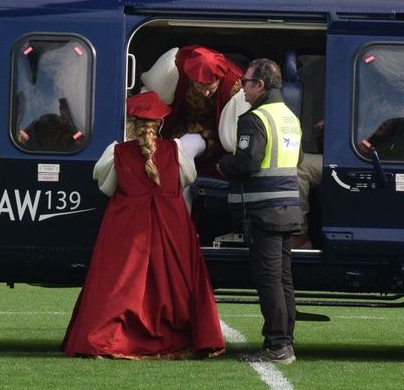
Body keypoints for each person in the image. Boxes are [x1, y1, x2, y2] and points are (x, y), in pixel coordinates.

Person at [61, 92, 225, 359]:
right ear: (160, 123)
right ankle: (175, 337)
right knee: (173, 283)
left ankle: (115, 337)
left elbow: (104, 185)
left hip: (127, 226)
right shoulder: (176, 151)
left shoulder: (116, 153)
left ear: (131, 122)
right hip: (171, 225)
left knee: (121, 282)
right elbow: (187, 179)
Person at [219, 58, 305, 364]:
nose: (242, 87)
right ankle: (285, 343)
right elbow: (298, 158)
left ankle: (277, 345)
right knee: (283, 279)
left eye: (246, 82)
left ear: (260, 85)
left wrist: (224, 163)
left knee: (269, 280)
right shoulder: (289, 117)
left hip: (264, 211)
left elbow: (247, 163)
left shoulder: (254, 119)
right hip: (288, 208)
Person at [161, 45, 244, 177]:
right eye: (200, 87)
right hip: (184, 124)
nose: (205, 93)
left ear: (218, 79)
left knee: (185, 149)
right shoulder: (180, 72)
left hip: (216, 131)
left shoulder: (233, 84)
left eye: (211, 88)